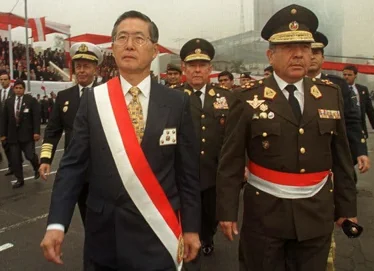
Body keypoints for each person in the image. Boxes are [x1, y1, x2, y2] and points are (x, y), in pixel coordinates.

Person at [40, 10, 201, 270]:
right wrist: (57, 223)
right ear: (113, 49)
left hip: (158, 231)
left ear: (154, 51)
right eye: (121, 38)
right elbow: (72, 166)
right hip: (105, 236)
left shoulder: (177, 102)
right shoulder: (94, 101)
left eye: (139, 38)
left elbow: (187, 173)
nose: (128, 44)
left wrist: (192, 227)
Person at [216, 5, 358, 271]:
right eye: (289, 48)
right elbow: (231, 160)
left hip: (316, 212)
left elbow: (342, 157)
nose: (299, 54)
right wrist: (226, 211)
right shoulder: (248, 98)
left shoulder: (329, 95)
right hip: (266, 213)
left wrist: (347, 206)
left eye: (305, 48)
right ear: (271, 55)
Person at [308, 31, 370, 271]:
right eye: (307, 51)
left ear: (323, 57)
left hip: (330, 169)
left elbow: (352, 122)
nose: (310, 57)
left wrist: (361, 150)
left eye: (316, 52)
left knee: (325, 233)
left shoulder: (338, 86)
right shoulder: (286, 86)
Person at [171, 38, 234, 262]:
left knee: (210, 213)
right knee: (187, 212)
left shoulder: (226, 97)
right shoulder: (173, 97)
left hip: (214, 172)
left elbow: (234, 137)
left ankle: (207, 237)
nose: (197, 70)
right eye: (192, 66)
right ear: (184, 69)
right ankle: (190, 238)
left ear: (210, 69)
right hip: (183, 171)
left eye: (202, 65)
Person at [39, 42, 103, 224]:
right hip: (75, 167)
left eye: (86, 66)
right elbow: (52, 131)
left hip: (102, 167)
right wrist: (45, 159)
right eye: (78, 66)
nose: (81, 71)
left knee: (104, 216)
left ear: (95, 69)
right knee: (85, 214)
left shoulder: (107, 94)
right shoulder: (64, 97)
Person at [0, 80, 40, 188]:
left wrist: (36, 132)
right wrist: (2, 134)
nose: (18, 90)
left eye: (20, 88)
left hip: (27, 135)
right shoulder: (8, 102)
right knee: (15, 159)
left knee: (30, 155)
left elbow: (36, 117)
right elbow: (4, 119)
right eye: (16, 88)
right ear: (14, 89)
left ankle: (37, 167)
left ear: (24, 89)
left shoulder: (31, 100)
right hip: (12, 136)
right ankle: (19, 179)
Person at [343, 65, 374, 138]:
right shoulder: (339, 89)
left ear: (355, 75)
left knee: (361, 148)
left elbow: (369, 108)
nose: (346, 77)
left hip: (360, 126)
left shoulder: (362, 89)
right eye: (344, 74)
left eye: (349, 75)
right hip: (344, 127)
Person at [0, 71, 15, 172]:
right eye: (1, 80)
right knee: (5, 146)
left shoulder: (14, 92)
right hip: (2, 125)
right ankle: (11, 166)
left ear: (9, 80)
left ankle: (16, 164)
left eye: (5, 79)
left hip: (12, 124)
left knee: (14, 147)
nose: (3, 81)